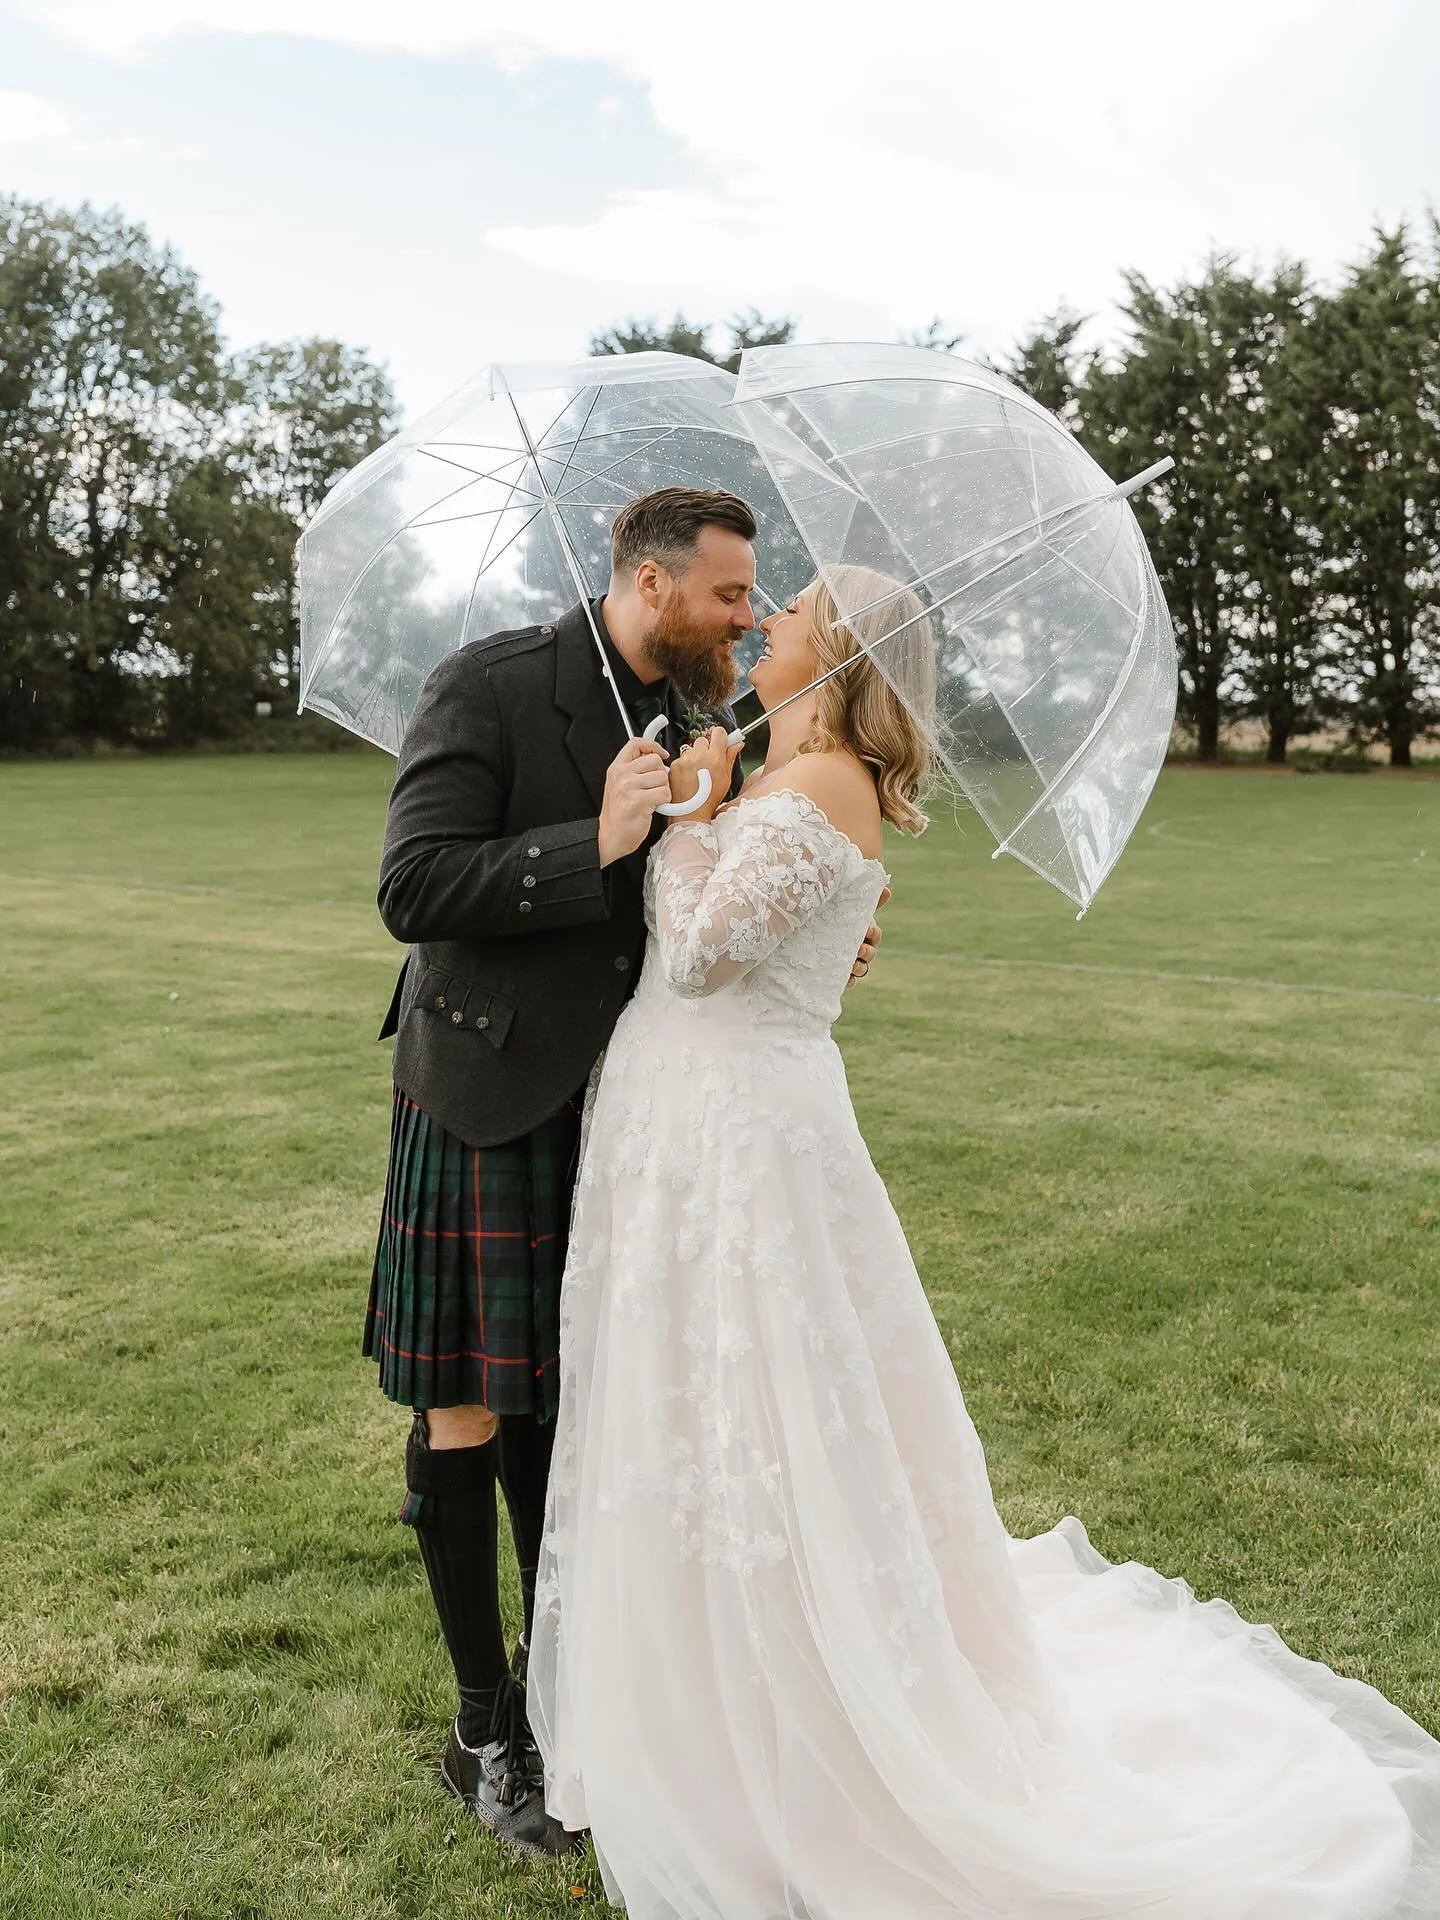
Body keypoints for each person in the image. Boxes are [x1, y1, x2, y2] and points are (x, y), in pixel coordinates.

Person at [529, 567, 1440, 1918]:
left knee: (769, 1404)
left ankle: (805, 1718)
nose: (766, 626)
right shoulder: (791, 771)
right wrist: (717, 803)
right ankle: (700, 1694)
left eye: (793, 617)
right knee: (687, 1397)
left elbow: (711, 953)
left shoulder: (827, 780)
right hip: (683, 1118)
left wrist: (677, 819)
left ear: (836, 657)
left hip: (746, 1132)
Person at [364, 489, 884, 1859]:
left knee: (581, 1413)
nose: (749, 617)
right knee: (473, 1411)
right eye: (727, 595)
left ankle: (578, 1696)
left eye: (756, 598)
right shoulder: (486, 683)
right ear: (651, 585)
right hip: (487, 1095)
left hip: (639, 1106)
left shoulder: (722, 720)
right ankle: (488, 1731)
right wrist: (585, 844)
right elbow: (413, 888)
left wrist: (818, 937)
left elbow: (744, 888)